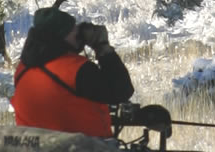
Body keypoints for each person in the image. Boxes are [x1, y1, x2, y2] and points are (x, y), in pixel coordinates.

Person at [9, 3, 135, 138]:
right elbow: (122, 90)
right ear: (60, 36)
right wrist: (102, 47)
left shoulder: (22, 70)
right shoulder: (76, 69)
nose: (78, 33)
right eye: (73, 31)